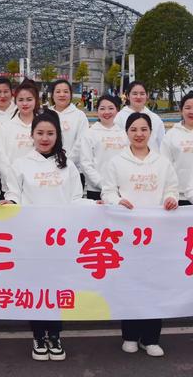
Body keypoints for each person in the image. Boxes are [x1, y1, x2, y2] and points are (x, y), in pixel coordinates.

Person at [1, 110, 86, 361]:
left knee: (57, 288)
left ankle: (55, 334)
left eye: (50, 133)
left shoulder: (67, 165)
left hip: (60, 240)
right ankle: (38, 335)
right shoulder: (21, 164)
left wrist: (97, 206)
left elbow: (76, 199)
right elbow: (14, 194)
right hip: (32, 240)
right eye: (40, 133)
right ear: (32, 135)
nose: (45, 138)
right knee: (36, 289)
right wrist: (9, 203)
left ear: (58, 135)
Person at [102, 112, 179, 357]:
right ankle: (130, 335)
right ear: (127, 133)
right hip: (126, 234)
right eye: (134, 129)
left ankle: (151, 337)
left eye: (143, 129)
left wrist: (171, 199)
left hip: (157, 234)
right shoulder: (117, 161)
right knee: (130, 284)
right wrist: (118, 201)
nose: (139, 134)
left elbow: (172, 188)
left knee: (154, 285)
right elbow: (107, 191)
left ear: (150, 132)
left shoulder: (162, 162)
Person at [80, 95, 129, 200]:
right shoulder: (89, 134)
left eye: (111, 108)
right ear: (97, 111)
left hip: (121, 190)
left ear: (117, 110)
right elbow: (86, 164)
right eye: (102, 108)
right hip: (96, 190)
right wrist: (103, 184)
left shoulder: (124, 134)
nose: (107, 112)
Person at [0, 79, 39, 194]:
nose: (25, 103)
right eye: (21, 100)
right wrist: (14, 180)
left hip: (37, 185)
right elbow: (2, 159)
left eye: (29, 99)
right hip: (11, 188)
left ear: (35, 101)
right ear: (15, 101)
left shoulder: (42, 126)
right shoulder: (5, 128)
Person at [160, 91, 193, 205]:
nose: (191, 111)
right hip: (177, 196)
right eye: (188, 107)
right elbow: (164, 165)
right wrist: (169, 193)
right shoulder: (171, 135)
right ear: (181, 110)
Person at [114, 81, 165, 152]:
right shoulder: (119, 117)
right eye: (134, 94)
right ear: (128, 96)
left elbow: (162, 144)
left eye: (142, 94)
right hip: (126, 160)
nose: (138, 97)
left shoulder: (155, 118)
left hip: (151, 160)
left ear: (147, 95)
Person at [49, 79, 89, 169]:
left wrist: (67, 161)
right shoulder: (46, 114)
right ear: (52, 95)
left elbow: (81, 142)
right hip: (48, 167)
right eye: (58, 91)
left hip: (73, 167)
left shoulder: (79, 116)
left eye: (66, 91)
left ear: (71, 94)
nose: (62, 95)